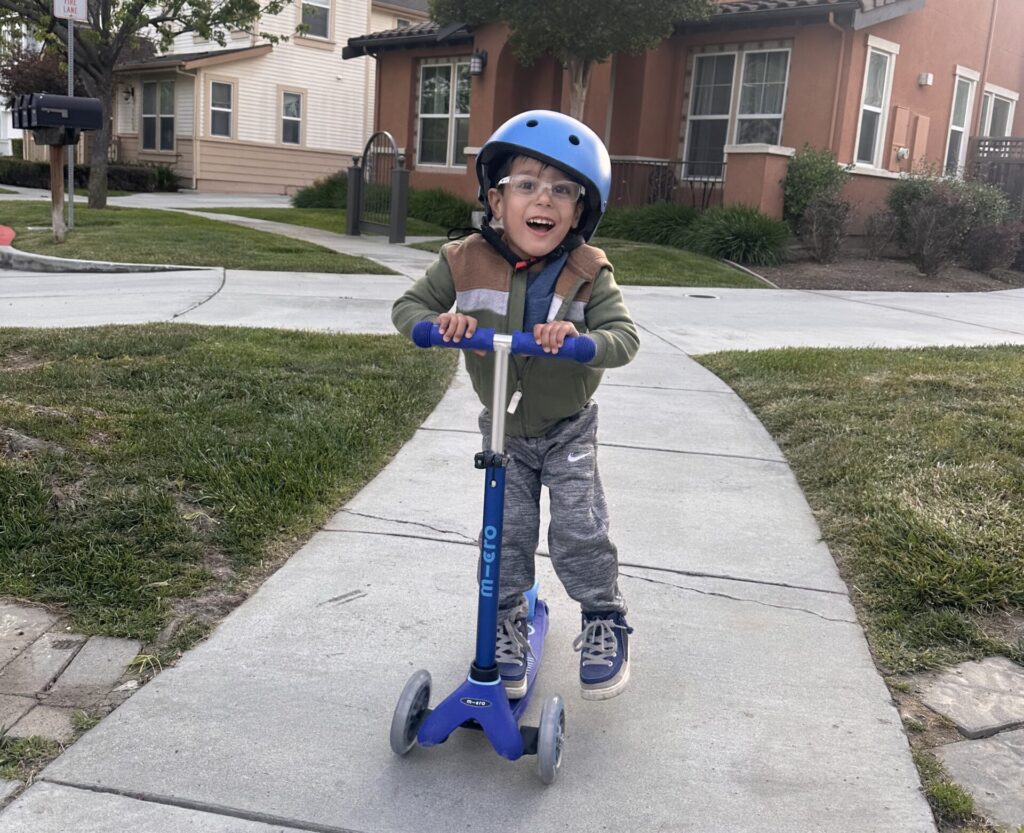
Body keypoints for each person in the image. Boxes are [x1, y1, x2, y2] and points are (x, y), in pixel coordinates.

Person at [392, 110, 639, 700]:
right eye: (526, 185)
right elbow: (408, 308)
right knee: (506, 532)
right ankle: (507, 621)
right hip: (502, 426)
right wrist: (436, 325)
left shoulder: (589, 272)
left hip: (568, 428)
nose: (543, 199)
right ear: (496, 201)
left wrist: (580, 344)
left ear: (579, 212)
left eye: (561, 190)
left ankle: (604, 615)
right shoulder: (463, 259)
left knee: (579, 529)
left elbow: (624, 340)